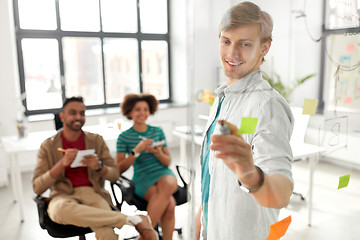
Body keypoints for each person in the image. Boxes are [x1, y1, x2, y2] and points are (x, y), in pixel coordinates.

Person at [198, 2, 295, 239]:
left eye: (245, 44)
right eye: (226, 41)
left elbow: (281, 191)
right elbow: (212, 177)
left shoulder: (267, 104)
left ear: (264, 48)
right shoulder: (223, 97)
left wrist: (251, 174)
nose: (232, 53)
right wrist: (202, 225)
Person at [33, 96, 158, 240]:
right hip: (62, 195)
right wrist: (62, 164)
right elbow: (38, 187)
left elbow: (114, 175)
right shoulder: (48, 146)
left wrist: (99, 167)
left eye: (82, 113)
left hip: (93, 193)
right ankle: (130, 219)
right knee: (59, 211)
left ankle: (128, 220)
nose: (78, 117)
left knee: (106, 233)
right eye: (73, 113)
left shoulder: (96, 141)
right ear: (62, 116)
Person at [116, 93, 178, 240]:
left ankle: (145, 235)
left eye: (145, 109)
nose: (142, 113)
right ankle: (149, 235)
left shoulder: (157, 131)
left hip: (163, 172)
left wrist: (157, 152)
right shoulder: (124, 137)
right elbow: (119, 168)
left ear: (150, 111)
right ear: (130, 112)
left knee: (168, 184)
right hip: (142, 177)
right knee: (169, 205)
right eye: (138, 109)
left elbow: (166, 161)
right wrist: (136, 151)